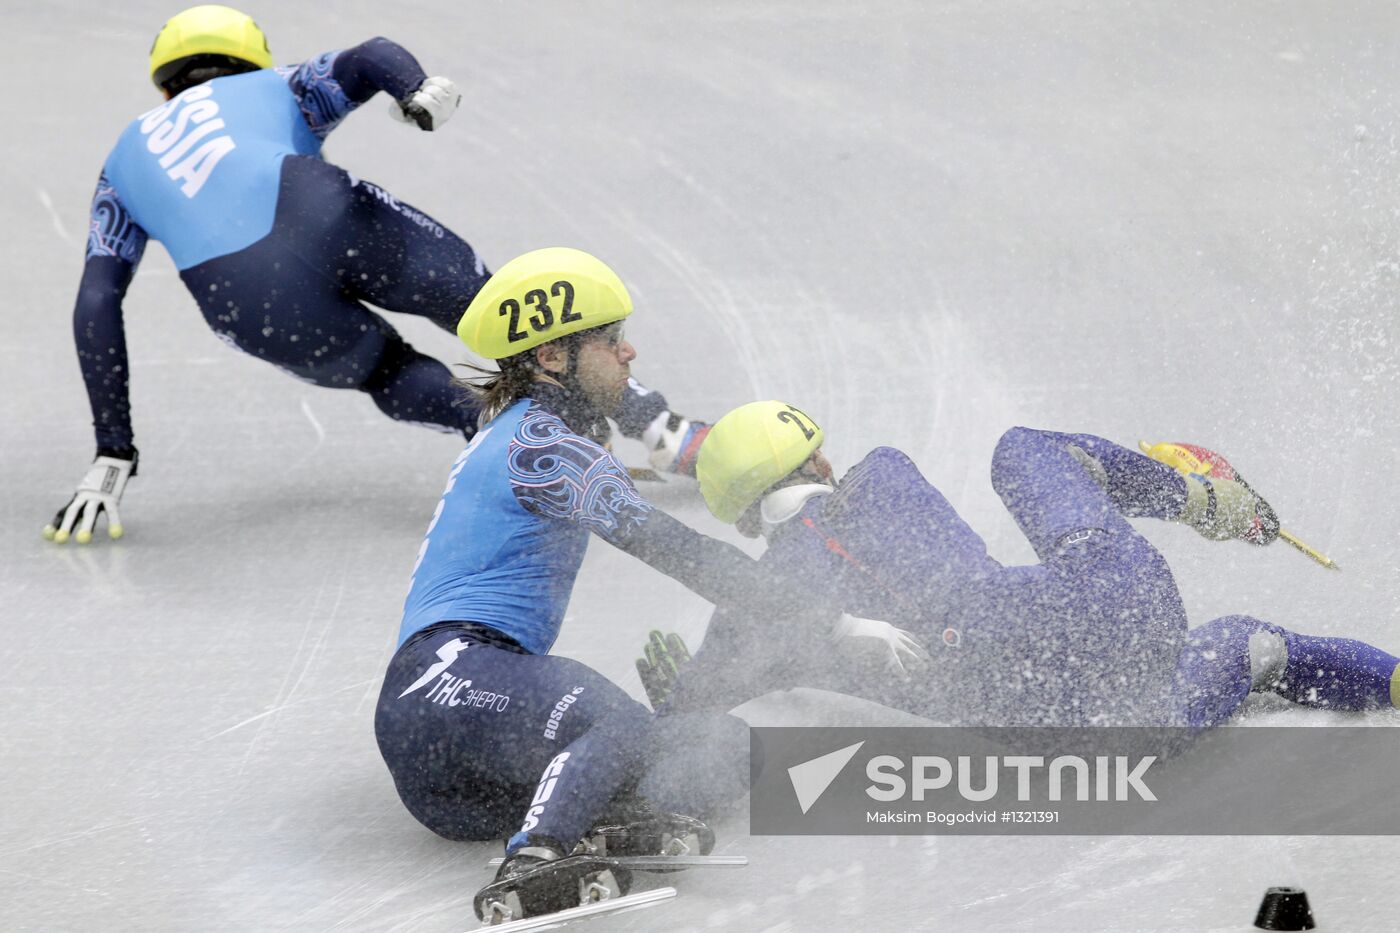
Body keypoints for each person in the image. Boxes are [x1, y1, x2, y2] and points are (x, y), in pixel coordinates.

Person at [45, 4, 706, 546]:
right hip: (316, 208)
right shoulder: (272, 85)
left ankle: (530, 443)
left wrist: (114, 447)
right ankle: (660, 428)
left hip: (240, 297)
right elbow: (371, 55)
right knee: (495, 306)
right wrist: (413, 88)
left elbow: (96, 304)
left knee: (385, 372)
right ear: (252, 59)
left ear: (163, 87)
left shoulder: (120, 163)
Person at [372, 250, 854, 922]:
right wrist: (817, 615)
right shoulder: (539, 447)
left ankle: (631, 821)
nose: (630, 352)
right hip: (439, 681)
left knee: (721, 738)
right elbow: (675, 548)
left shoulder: (545, 432)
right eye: (608, 339)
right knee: (615, 718)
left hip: (472, 750)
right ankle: (535, 854)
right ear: (549, 358)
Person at [643, 401, 1398, 731]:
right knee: (1021, 449)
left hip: (1088, 734)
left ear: (740, 514)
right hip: (1109, 607)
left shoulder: (757, 616)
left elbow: (694, 700)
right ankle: (1207, 500)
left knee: (1251, 646)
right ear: (818, 458)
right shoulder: (879, 473)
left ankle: (1293, 658)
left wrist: (685, 689)